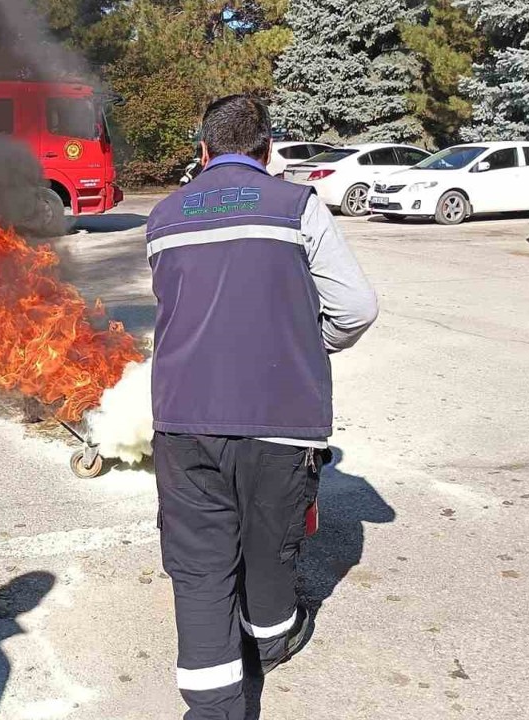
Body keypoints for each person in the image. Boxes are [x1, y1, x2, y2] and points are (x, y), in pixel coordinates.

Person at [146, 94, 379, 719]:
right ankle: (272, 636)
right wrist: (308, 340)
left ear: (202, 150)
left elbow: (181, 307)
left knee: (198, 565)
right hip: (278, 418)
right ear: (268, 151)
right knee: (269, 541)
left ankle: (213, 702)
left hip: (181, 422)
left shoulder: (162, 218)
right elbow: (356, 308)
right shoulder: (296, 206)